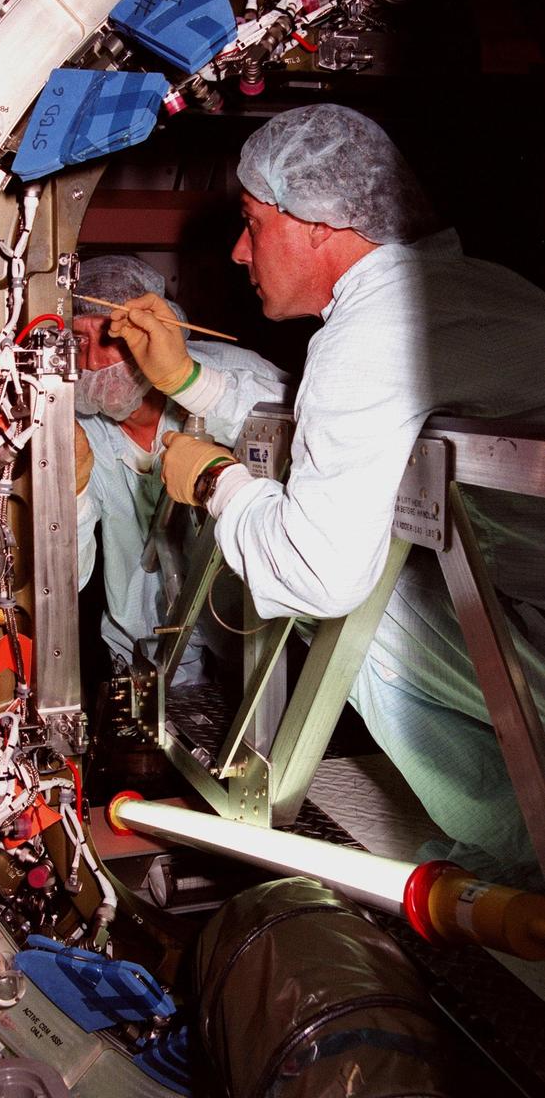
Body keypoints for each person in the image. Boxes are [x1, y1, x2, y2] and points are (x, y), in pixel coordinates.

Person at [108, 104, 545, 885]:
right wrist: (188, 384)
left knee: (350, 606)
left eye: (250, 222)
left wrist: (215, 481)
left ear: (316, 222)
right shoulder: (463, 288)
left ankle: (518, 848)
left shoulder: (371, 331)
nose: (240, 253)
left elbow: (312, 568)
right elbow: (344, 435)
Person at [73, 254, 289, 687]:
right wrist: (73, 490)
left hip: (257, 634)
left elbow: (317, 450)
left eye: (113, 338)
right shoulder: (77, 426)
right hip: (147, 651)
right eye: (78, 341)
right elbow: (66, 579)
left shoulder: (235, 382)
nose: (94, 362)